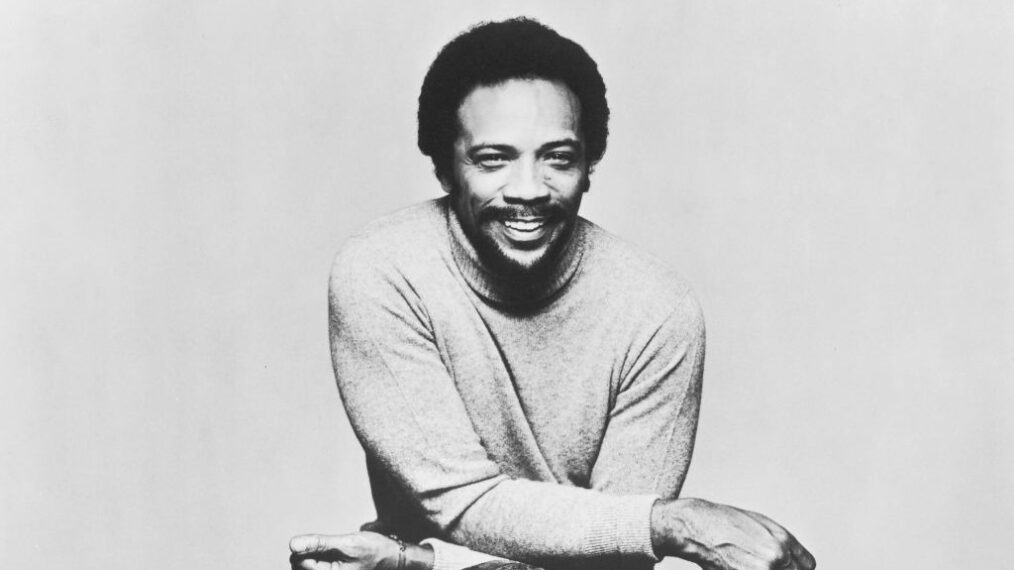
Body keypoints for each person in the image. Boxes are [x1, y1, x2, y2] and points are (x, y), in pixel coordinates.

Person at [290, 17, 816, 570]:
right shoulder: (385, 270)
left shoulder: (658, 311)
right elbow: (462, 502)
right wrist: (671, 524)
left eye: (558, 157)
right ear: (445, 169)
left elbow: (613, 565)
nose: (528, 190)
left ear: (589, 166)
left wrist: (420, 563)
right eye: (493, 160)